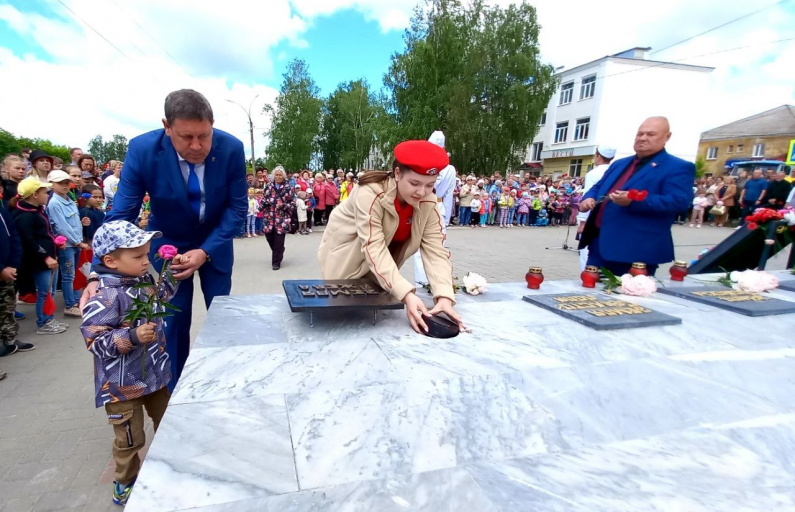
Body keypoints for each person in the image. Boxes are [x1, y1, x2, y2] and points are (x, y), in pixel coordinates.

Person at [81, 89, 247, 390]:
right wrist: (97, 272)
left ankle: (228, 380)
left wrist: (205, 251)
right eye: (186, 137)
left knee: (224, 317)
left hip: (215, 245)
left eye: (204, 135)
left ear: (213, 124)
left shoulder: (232, 148)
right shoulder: (143, 150)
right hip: (169, 248)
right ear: (166, 126)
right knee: (172, 321)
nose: (197, 146)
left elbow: (237, 209)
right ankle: (176, 392)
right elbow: (121, 215)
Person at [80, 221, 180, 506]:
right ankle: (126, 479)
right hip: (122, 386)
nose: (146, 261)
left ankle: (169, 464)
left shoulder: (144, 281)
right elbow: (95, 342)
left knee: (168, 422)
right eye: (138, 257)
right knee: (129, 436)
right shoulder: (105, 296)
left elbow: (164, 297)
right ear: (110, 261)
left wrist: (172, 272)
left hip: (156, 375)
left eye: (147, 255)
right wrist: (131, 336)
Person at [318, 140, 465, 334]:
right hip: (346, 263)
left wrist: (444, 296)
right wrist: (407, 294)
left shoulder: (428, 202)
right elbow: (373, 247)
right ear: (397, 174)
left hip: (380, 273)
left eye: (430, 185)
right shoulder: (369, 192)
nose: (422, 192)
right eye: (415, 183)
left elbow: (435, 251)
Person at [579, 117, 694, 276]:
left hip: (635, 249)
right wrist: (588, 197)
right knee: (589, 295)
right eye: (640, 134)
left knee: (627, 298)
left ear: (667, 137)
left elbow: (679, 201)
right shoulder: (620, 164)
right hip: (599, 244)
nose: (642, 138)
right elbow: (599, 186)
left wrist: (634, 201)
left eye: (650, 134)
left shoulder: (678, 167)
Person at [12, 177, 67, 335]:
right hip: (38, 261)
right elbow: (29, 241)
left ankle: (48, 318)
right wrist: (46, 257)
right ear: (34, 195)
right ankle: (43, 322)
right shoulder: (24, 216)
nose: (47, 194)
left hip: (47, 258)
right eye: (44, 192)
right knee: (44, 291)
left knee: (49, 291)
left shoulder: (37, 211)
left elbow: (43, 235)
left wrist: (55, 244)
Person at [414, 130, 457, 287]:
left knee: (420, 249)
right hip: (439, 207)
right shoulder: (450, 169)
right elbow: (449, 197)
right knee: (438, 247)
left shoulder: (424, 165)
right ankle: (436, 283)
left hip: (423, 205)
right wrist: (445, 219)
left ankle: (422, 284)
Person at [47, 170, 90, 317]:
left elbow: (72, 223)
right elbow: (61, 227)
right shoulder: (54, 203)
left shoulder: (69, 200)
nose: (64, 186)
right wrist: (79, 242)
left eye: (66, 182)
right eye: (60, 183)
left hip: (75, 243)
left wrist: (81, 223)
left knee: (72, 274)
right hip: (68, 245)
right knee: (68, 275)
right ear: (52, 184)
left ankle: (75, 300)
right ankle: (69, 305)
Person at [0, 202, 33, 357]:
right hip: (2, 269)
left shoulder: (2, 210)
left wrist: (13, 264)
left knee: (7, 306)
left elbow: (13, 235)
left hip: (8, 269)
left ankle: (10, 340)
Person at [577, 147, 616, 273]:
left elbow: (588, 200)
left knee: (585, 252)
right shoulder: (614, 170)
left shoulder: (593, 174)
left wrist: (583, 222)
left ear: (598, 156)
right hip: (607, 218)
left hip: (592, 217)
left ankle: (587, 275)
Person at [260, 166, 295, 270]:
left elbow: (292, 204)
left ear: (283, 176)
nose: (278, 177)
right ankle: (279, 251)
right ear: (273, 175)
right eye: (276, 175)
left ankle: (276, 262)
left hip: (282, 219)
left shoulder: (288, 188)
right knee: (269, 237)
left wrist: (283, 205)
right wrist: (265, 203)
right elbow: (262, 200)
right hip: (269, 218)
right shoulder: (268, 186)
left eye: (280, 175)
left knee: (279, 240)